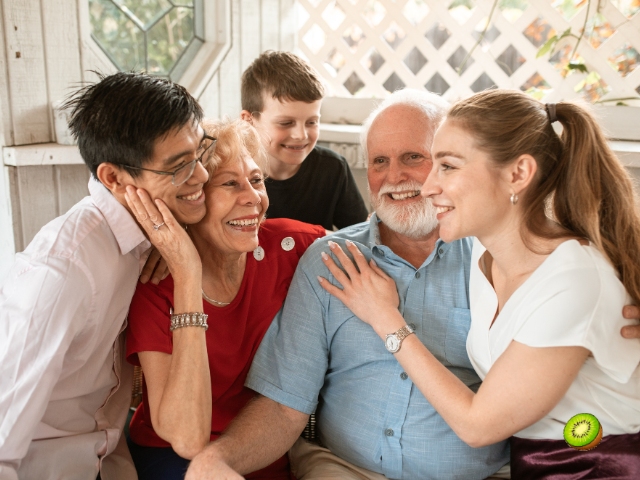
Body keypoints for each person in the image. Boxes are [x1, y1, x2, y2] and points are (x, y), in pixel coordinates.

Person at [185, 89, 640, 480]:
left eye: (422, 160)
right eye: (379, 161)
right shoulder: (333, 259)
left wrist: (387, 319)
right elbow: (285, 404)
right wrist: (218, 458)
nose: (402, 178)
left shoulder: (510, 259)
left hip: (567, 461)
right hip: (345, 467)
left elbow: (483, 422)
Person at [0, 72, 210, 480]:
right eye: (180, 167)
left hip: (110, 459)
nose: (200, 176)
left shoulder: (150, 232)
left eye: (199, 154)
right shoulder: (61, 273)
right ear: (113, 178)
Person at [124, 118, 326, 480]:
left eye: (257, 179)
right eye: (230, 184)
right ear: (192, 199)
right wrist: (187, 272)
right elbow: (186, 439)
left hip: (258, 452)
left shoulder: (290, 247)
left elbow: (375, 241)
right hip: (173, 460)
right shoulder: (156, 285)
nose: (253, 198)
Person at [240, 50, 369, 231]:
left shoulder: (333, 169)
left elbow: (361, 236)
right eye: (286, 123)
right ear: (249, 121)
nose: (301, 135)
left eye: (312, 122)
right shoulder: (232, 173)